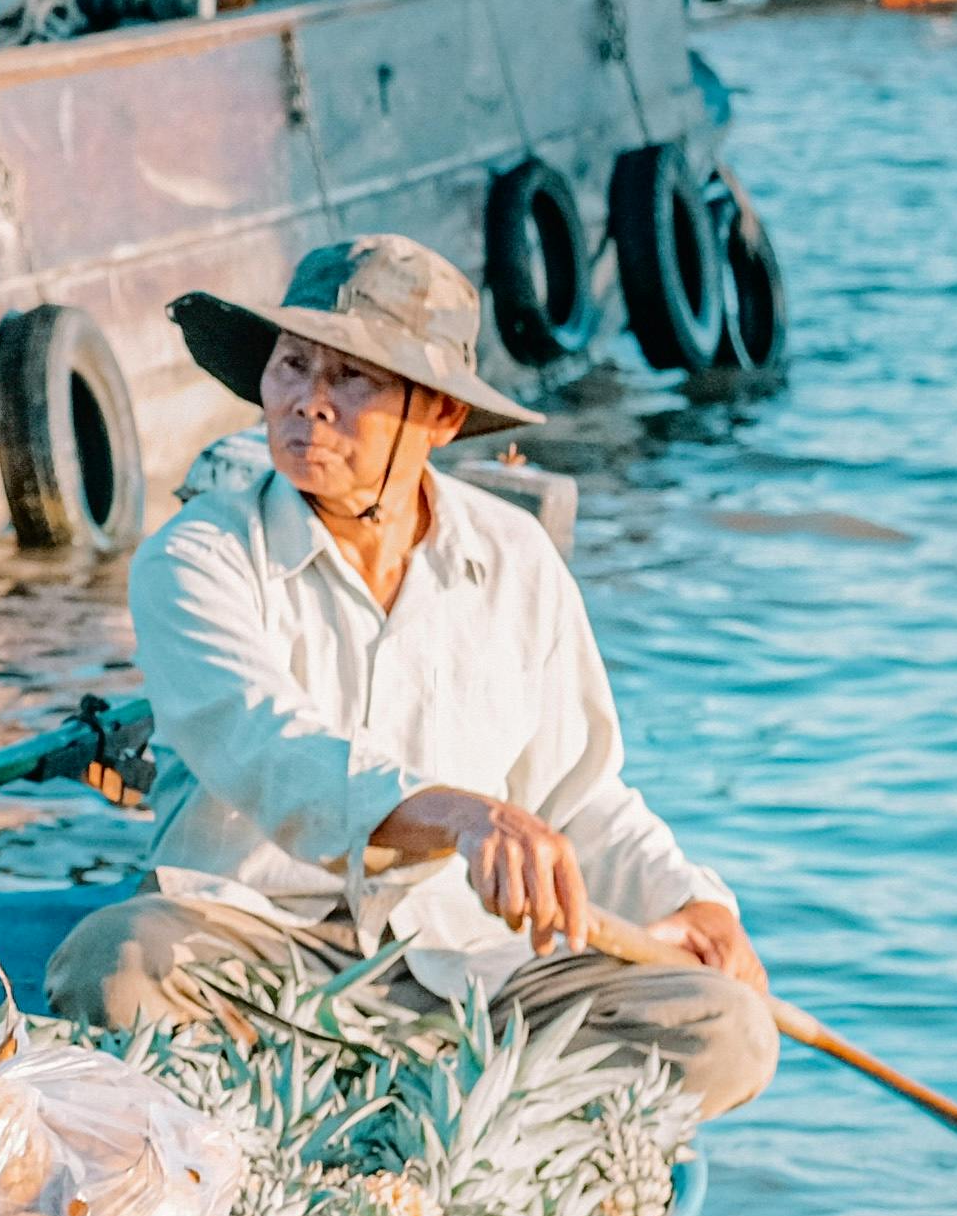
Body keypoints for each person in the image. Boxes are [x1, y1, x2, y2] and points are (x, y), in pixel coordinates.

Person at [47, 229, 773, 1109]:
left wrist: (696, 907)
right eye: (291, 366)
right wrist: (464, 818)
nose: (307, 402)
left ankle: (460, 1121)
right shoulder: (197, 556)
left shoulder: (514, 559)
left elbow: (582, 798)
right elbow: (271, 748)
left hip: (465, 974)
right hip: (252, 949)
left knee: (727, 1032)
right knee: (115, 965)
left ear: (443, 415)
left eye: (351, 378)